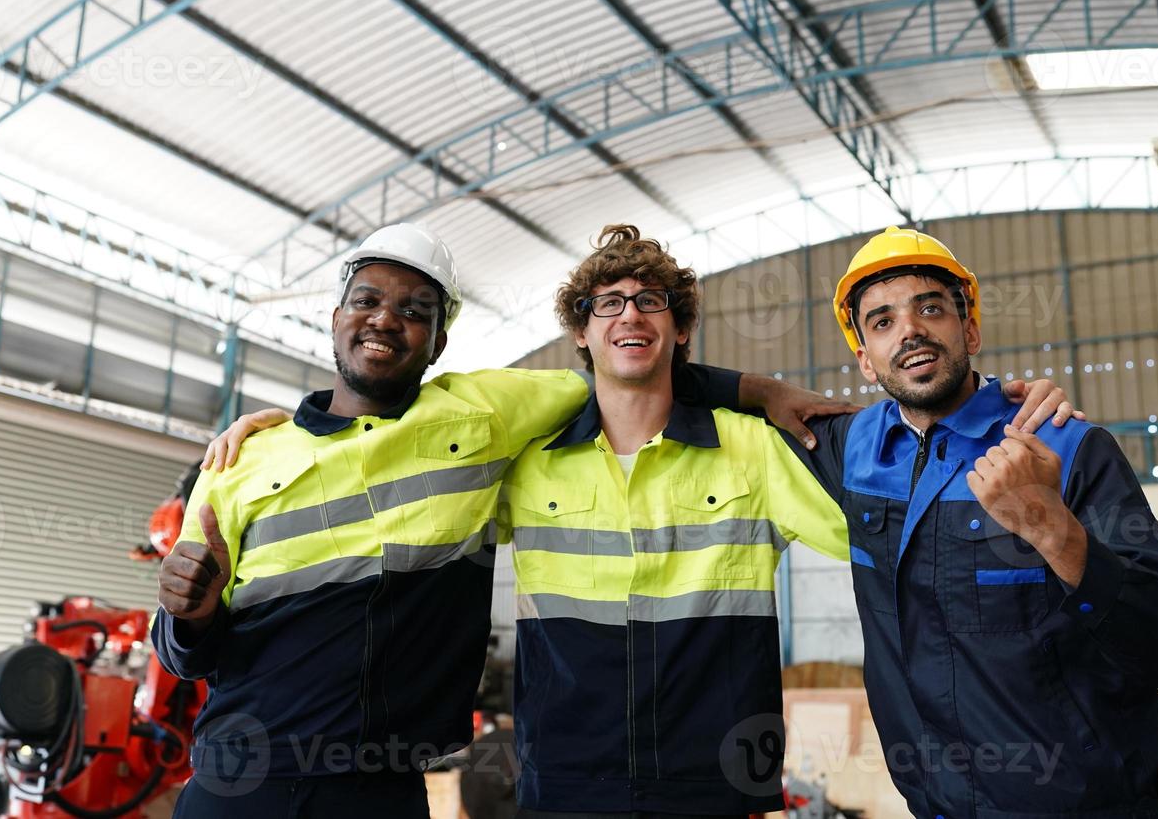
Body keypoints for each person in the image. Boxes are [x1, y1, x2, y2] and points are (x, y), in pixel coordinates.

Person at [208, 225, 1082, 819]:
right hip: (564, 790)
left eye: (651, 301)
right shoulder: (521, 459)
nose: (630, 314)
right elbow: (388, 452)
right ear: (580, 339)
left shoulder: (752, 453)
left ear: (680, 330)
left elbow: (897, 538)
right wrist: (290, 424)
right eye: (607, 304)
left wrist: (1007, 449)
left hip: (713, 787)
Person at [152, 223, 840, 818]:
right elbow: (184, 653)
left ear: (440, 340)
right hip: (240, 779)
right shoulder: (242, 459)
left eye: (414, 309)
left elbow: (623, 370)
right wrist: (190, 615)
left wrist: (757, 389)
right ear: (335, 317)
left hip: (382, 790)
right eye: (366, 302)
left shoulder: (480, 421)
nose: (387, 320)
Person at [788, 226, 1158, 818]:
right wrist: (758, 388)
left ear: (971, 330)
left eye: (930, 308)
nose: (909, 330)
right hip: (936, 806)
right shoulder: (853, 449)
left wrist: (1054, 530)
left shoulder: (1065, 448)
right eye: (881, 322)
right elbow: (673, 390)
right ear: (864, 359)